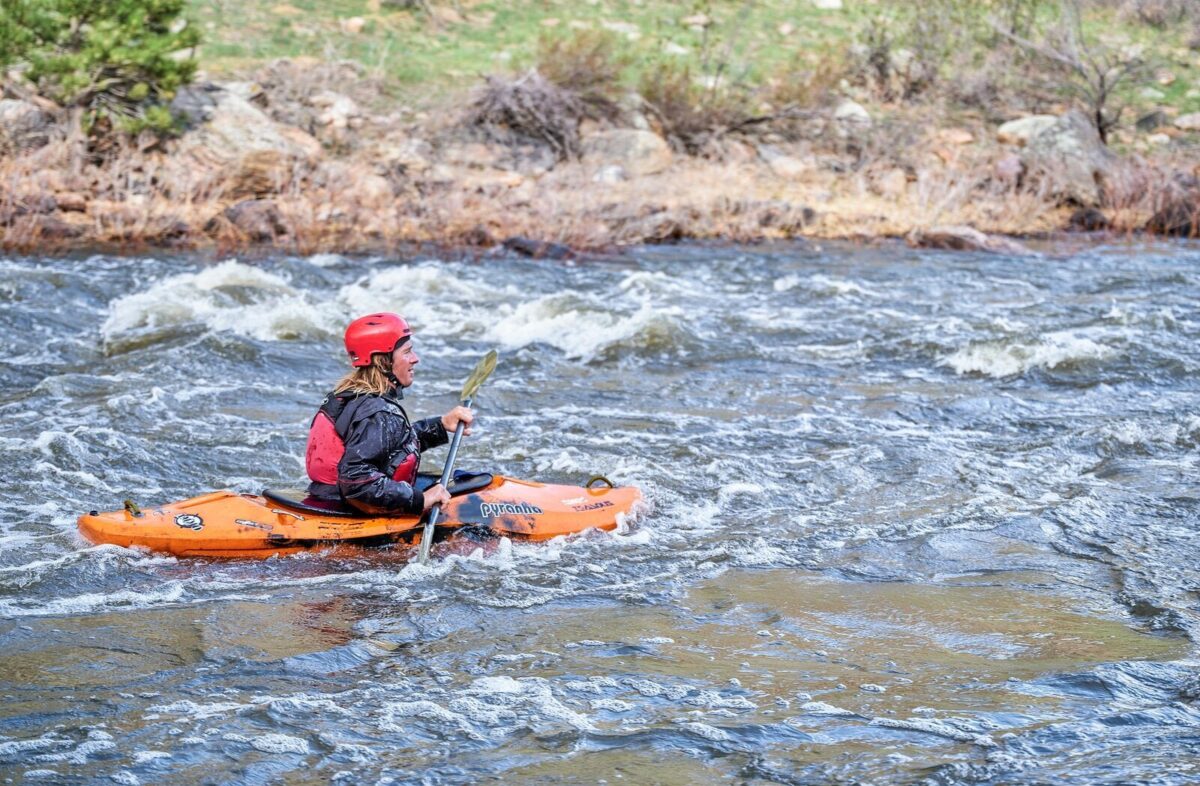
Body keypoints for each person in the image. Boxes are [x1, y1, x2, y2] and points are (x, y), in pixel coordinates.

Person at [304, 312, 473, 515]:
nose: (415, 359)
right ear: (384, 361)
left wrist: (440, 425)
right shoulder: (379, 413)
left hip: (326, 498)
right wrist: (421, 499)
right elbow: (356, 481)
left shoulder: (348, 396)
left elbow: (390, 447)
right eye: (407, 352)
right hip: (350, 512)